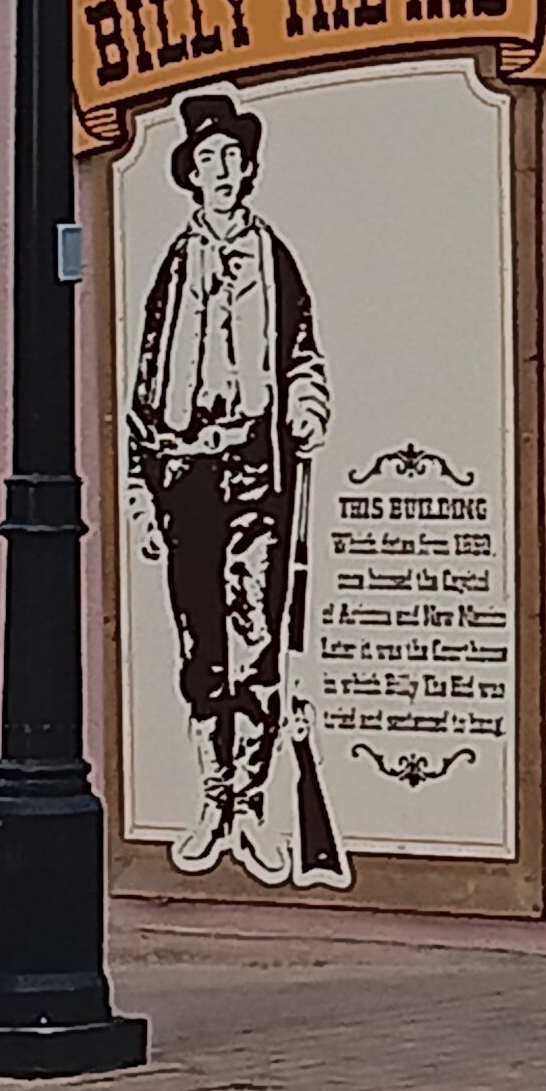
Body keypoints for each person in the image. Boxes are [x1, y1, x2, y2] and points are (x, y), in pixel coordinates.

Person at [124, 88, 340, 885]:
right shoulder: (174, 265)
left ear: (248, 170)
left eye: (229, 159)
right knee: (200, 653)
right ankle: (211, 799)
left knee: (256, 646)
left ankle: (250, 805)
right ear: (192, 177)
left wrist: (308, 405)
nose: (219, 172)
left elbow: (303, 353)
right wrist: (144, 497)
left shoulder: (274, 260)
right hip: (185, 474)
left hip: (256, 471)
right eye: (205, 161)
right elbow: (144, 390)